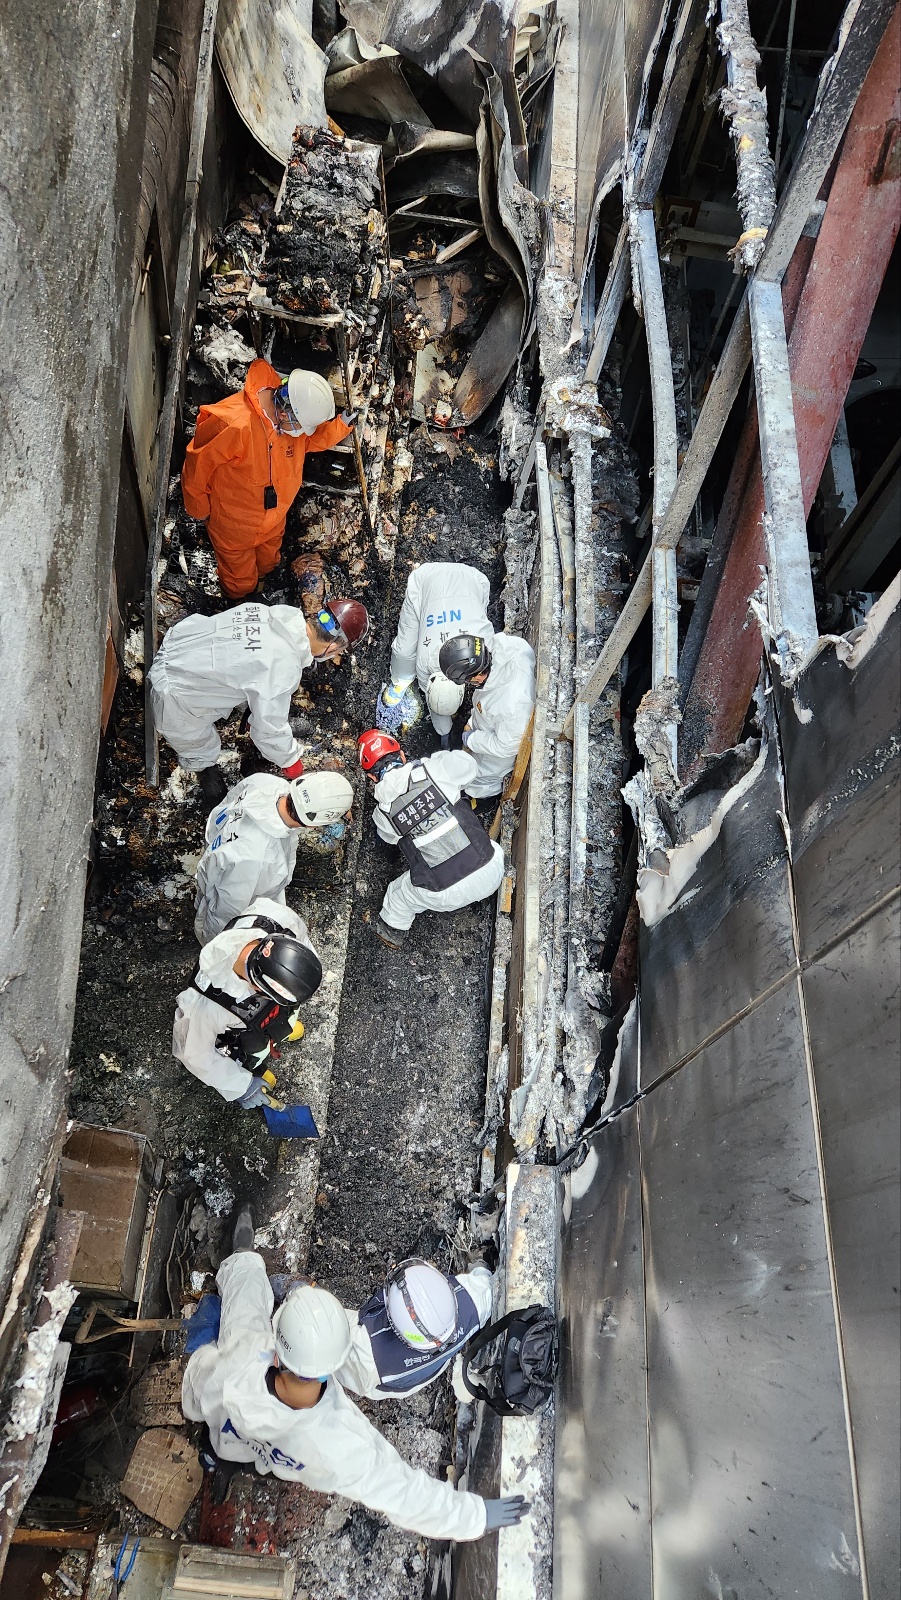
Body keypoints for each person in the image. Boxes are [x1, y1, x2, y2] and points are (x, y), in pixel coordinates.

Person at [181, 1221, 529, 1541]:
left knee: (222, 1436)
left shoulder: (239, 1357)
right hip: (282, 1460)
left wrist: (244, 1253)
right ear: (332, 1365)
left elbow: (241, 1306)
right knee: (259, 1459)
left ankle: (214, 1457)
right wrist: (476, 1516)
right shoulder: (340, 1444)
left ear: (277, 1355)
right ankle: (227, 1458)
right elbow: (404, 1493)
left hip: (226, 1430)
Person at [148, 598, 369, 806]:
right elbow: (268, 732)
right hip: (175, 696)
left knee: (257, 688)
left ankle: (255, 712)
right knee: (199, 743)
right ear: (333, 647)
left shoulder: (266, 613)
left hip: (181, 645)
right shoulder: (282, 667)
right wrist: (291, 763)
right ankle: (204, 771)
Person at [181, 361, 354, 600]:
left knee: (268, 561)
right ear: (285, 413)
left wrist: (340, 426)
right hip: (235, 525)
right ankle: (239, 604)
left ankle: (262, 587)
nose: (300, 432)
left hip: (273, 520)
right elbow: (197, 467)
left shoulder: (288, 421)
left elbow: (308, 440)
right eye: (300, 426)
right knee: (239, 577)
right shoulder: (233, 424)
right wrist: (199, 508)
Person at [357, 730, 505, 949]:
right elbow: (470, 767)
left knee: (398, 894)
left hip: (444, 895)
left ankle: (391, 932)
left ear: (371, 777)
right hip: (492, 872)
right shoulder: (436, 768)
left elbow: (389, 838)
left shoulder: (383, 815)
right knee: (486, 845)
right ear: (403, 755)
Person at [172, 898, 322, 1106]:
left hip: (274, 1010)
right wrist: (241, 1085)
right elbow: (195, 1054)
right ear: (258, 989)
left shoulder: (278, 920)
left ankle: (280, 1031)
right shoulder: (206, 1005)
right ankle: (255, 1067)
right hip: (242, 1031)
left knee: (283, 1018)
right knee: (253, 1047)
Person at [193, 769, 354, 944]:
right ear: (314, 825)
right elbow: (227, 911)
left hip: (219, 850)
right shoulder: (259, 858)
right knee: (214, 917)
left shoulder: (267, 783)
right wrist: (218, 942)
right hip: (228, 886)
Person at [335, 1258, 493, 1402]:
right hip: (425, 1373)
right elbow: (485, 1279)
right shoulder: (475, 1302)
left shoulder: (368, 1358)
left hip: (384, 1382)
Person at [380, 562, 495, 743]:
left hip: (474, 582)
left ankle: (400, 682)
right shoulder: (425, 664)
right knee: (403, 652)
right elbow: (436, 706)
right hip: (425, 582)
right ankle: (399, 682)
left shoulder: (485, 648)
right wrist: (444, 732)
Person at [439, 633, 535, 799]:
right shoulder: (508, 645)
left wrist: (472, 739)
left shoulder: (513, 704)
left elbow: (506, 746)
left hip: (495, 753)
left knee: (479, 778)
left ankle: (482, 800)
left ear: (477, 676)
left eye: (468, 681)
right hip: (491, 722)